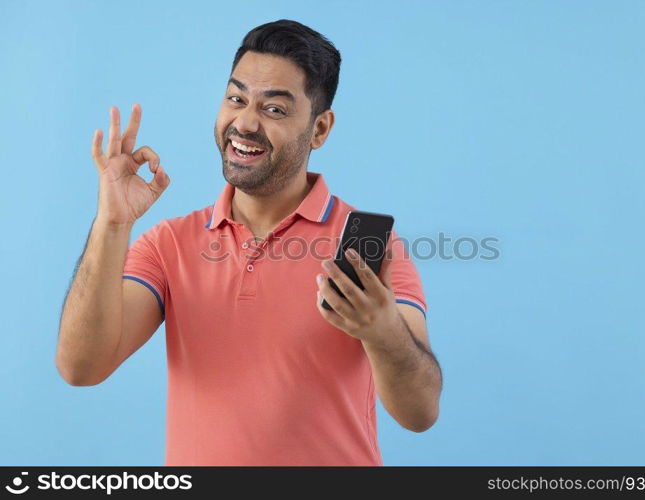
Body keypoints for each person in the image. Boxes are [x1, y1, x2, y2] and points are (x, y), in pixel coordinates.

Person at [56, 19, 442, 466]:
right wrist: (111, 223)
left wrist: (382, 331)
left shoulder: (367, 248)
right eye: (236, 99)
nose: (245, 123)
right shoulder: (168, 245)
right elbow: (80, 368)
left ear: (319, 129)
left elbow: (420, 413)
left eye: (274, 109)